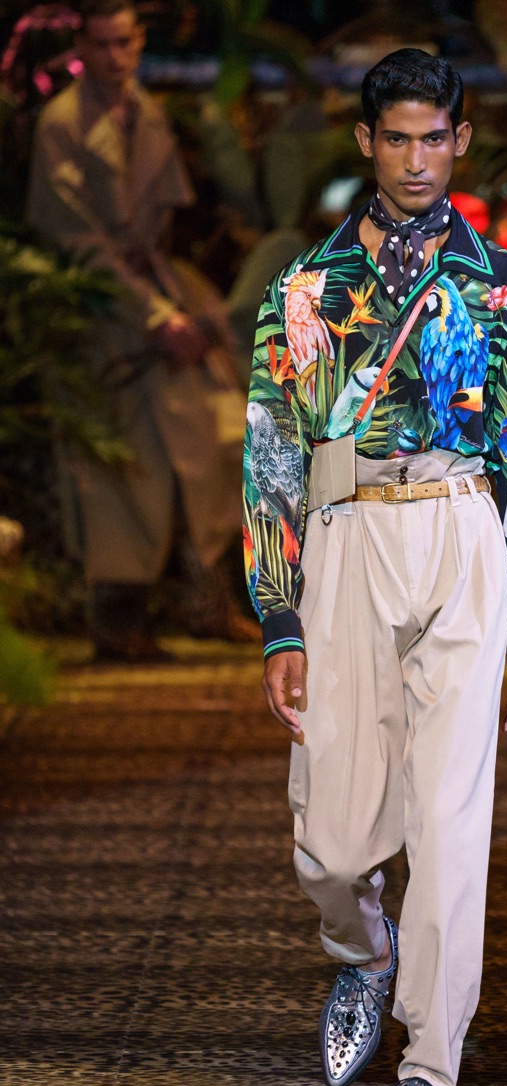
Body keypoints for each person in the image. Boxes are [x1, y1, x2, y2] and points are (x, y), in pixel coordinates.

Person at [244, 48, 507, 1086]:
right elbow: (270, 460)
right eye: (396, 139)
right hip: (345, 536)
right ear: (365, 143)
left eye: (435, 138)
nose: (417, 159)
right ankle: (362, 951)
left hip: (464, 534)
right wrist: (277, 614)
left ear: (460, 141)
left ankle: (431, 1066)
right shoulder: (305, 289)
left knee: (449, 825)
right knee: (333, 847)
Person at [26, 0, 253, 661]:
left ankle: (207, 600)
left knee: (217, 436)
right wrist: (152, 314)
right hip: (98, 307)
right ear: (81, 48)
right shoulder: (62, 123)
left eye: (124, 43)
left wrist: (174, 307)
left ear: (139, 41)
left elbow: (165, 218)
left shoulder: (145, 110)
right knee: (118, 466)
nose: (115, 57)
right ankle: (118, 620)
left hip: (156, 288)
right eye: (101, 45)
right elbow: (74, 236)